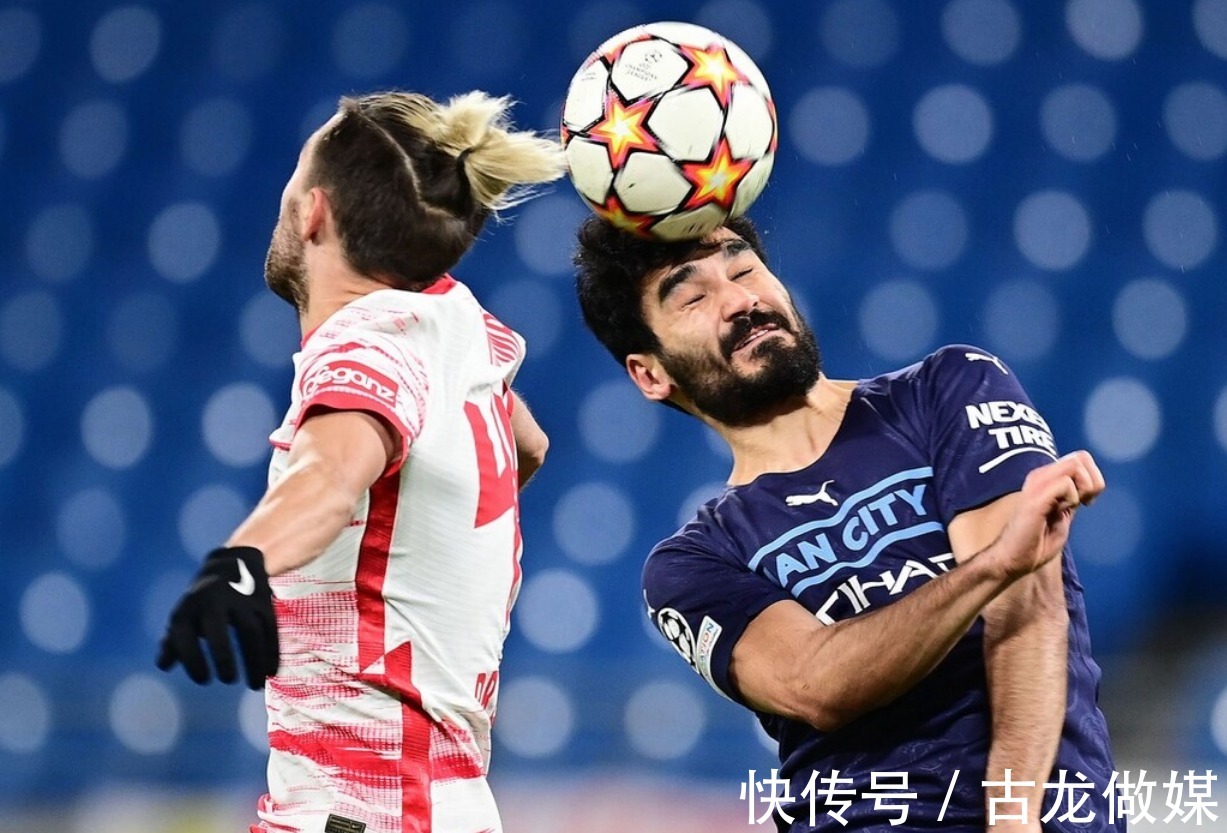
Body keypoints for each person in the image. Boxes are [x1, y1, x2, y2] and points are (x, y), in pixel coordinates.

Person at [573, 214, 1121, 832]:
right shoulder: (693, 564)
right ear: (651, 373)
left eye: (744, 269)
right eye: (694, 298)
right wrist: (990, 568)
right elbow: (817, 685)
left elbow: (1027, 610)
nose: (740, 301)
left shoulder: (948, 390)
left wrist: (1013, 820)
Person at [156, 90, 567, 833]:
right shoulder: (461, 327)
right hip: (446, 802)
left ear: (312, 212)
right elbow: (529, 445)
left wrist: (243, 560)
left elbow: (330, 473)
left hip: (362, 808)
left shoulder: (365, 344)